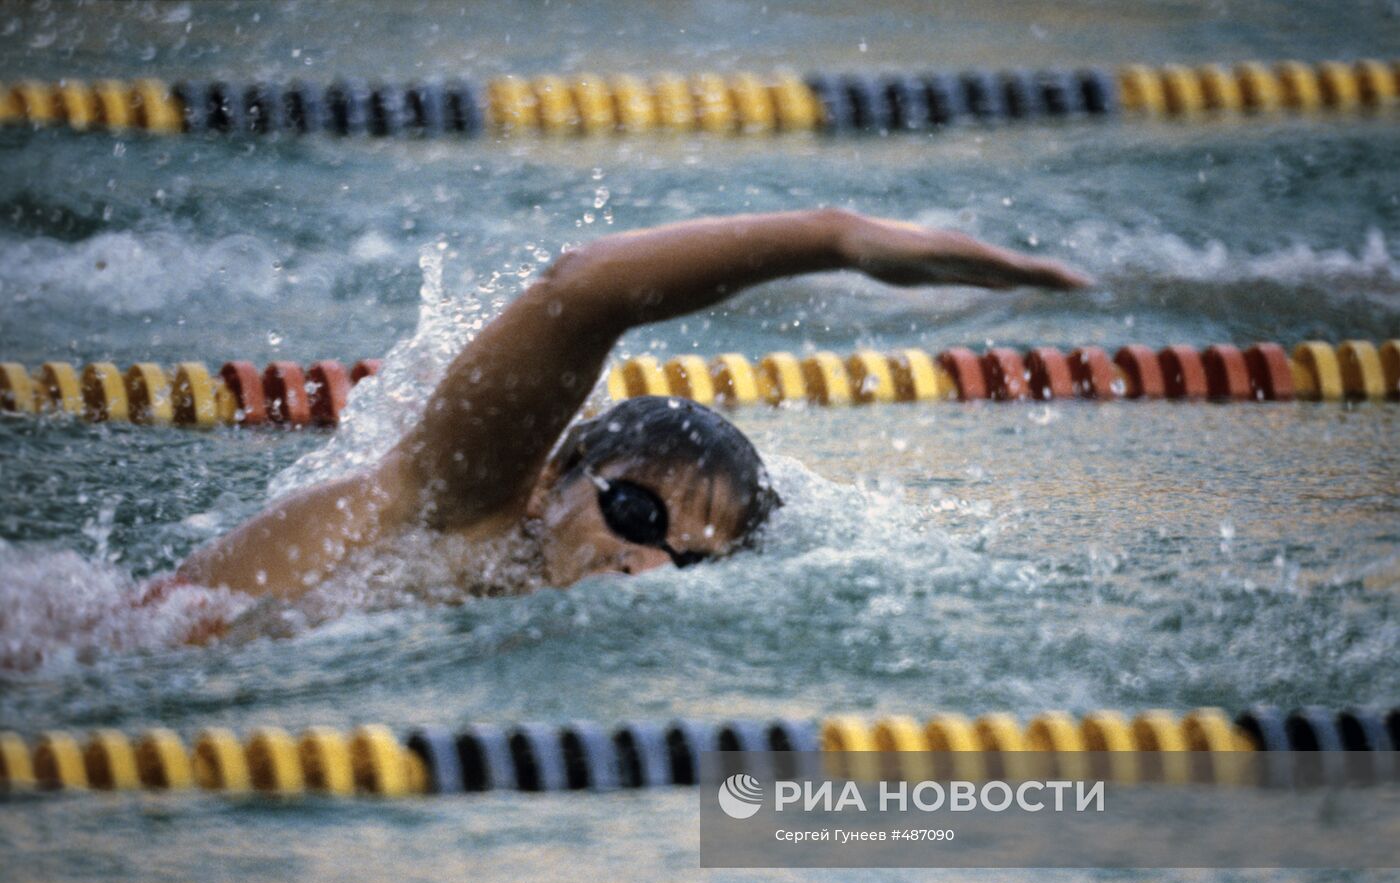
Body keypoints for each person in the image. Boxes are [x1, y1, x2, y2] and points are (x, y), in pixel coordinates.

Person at [175, 208, 1089, 601]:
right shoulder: (461, 508)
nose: (645, 567)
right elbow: (584, 289)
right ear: (551, 483)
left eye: (687, 562)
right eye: (636, 511)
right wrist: (838, 240)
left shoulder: (518, 597)